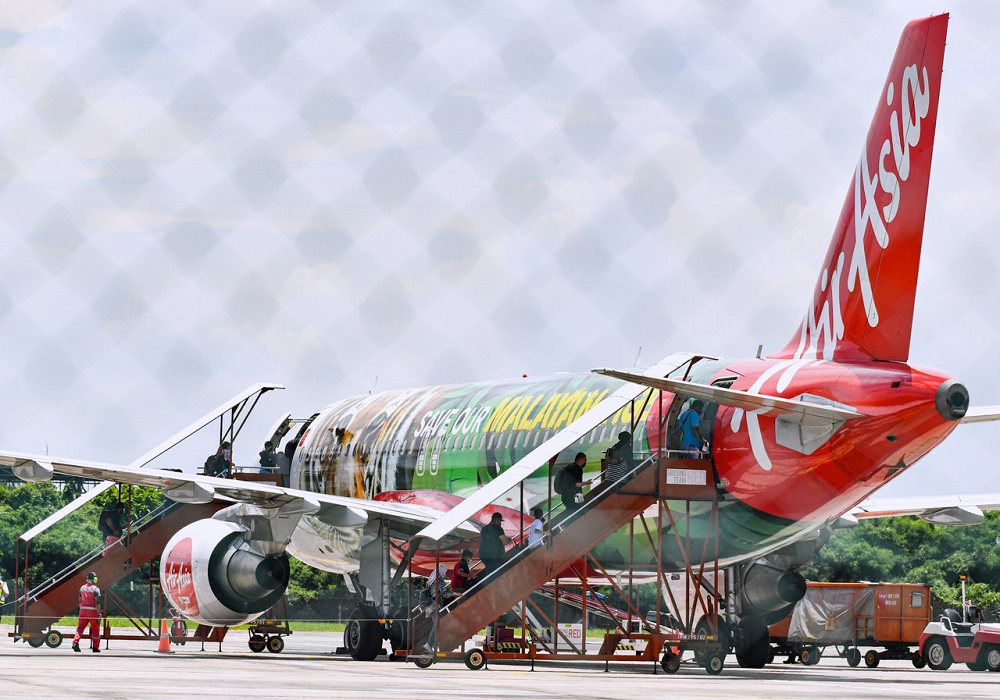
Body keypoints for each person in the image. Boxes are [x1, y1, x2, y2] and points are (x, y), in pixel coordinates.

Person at [72, 571, 102, 653]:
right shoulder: (96, 589)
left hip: (83, 611)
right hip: (93, 612)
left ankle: (75, 641)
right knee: (95, 630)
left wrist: (81, 609)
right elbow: (97, 603)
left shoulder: (82, 588)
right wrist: (99, 613)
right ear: (94, 579)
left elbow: (79, 601)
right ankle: (95, 647)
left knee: (80, 628)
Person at [478, 512, 510, 578]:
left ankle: (487, 585)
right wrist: (508, 539)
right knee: (495, 575)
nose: (500, 523)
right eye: (500, 521)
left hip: (483, 555)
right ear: (497, 519)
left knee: (489, 571)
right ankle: (489, 586)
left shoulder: (484, 529)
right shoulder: (498, 529)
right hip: (494, 555)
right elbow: (505, 541)